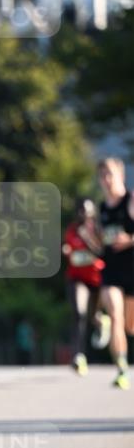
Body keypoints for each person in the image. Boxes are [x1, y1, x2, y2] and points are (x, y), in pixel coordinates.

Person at [97, 158, 134, 389]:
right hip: (112, 272)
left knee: (130, 325)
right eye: (103, 176)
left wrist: (129, 239)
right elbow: (103, 241)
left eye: (110, 174)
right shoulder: (102, 208)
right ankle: (121, 370)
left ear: (121, 176)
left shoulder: (130, 201)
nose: (107, 180)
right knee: (115, 317)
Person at [61, 197, 108, 375]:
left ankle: (101, 321)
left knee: (92, 316)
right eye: (80, 210)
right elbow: (68, 247)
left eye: (86, 211)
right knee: (78, 314)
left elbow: (102, 252)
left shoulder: (98, 229)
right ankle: (78, 356)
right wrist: (65, 249)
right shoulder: (72, 229)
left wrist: (86, 238)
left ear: (92, 213)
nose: (82, 214)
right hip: (76, 277)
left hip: (97, 279)